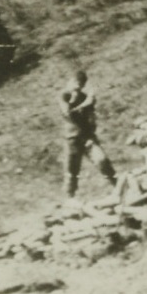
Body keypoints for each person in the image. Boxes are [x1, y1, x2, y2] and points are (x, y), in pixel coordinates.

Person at [58, 70, 117, 199]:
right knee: (72, 171)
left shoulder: (84, 96)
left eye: (81, 84)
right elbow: (67, 114)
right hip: (72, 138)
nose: (78, 86)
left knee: (102, 160)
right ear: (70, 81)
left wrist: (91, 119)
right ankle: (69, 199)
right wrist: (82, 103)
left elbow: (91, 117)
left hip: (87, 136)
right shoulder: (64, 95)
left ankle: (119, 188)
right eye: (76, 82)